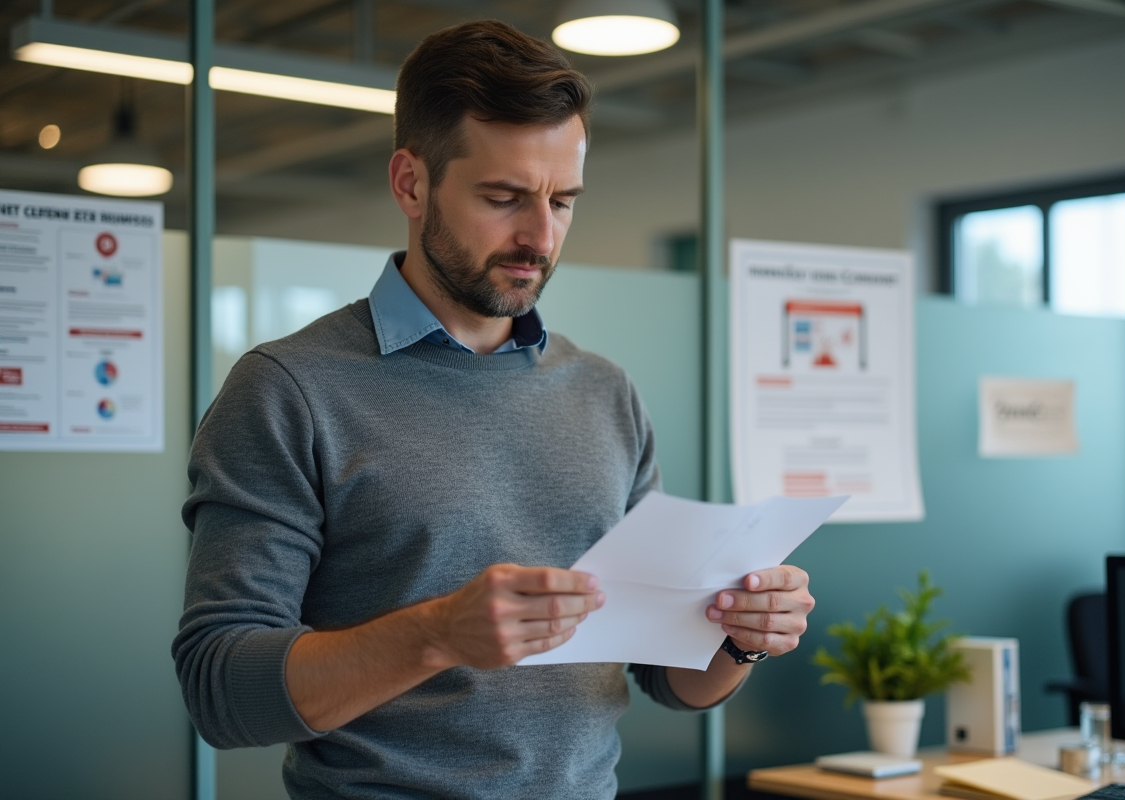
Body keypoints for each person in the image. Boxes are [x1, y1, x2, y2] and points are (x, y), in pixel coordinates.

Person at [172, 19, 815, 800]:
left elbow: (663, 674)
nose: (540, 237)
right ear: (411, 183)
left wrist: (738, 640)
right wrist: (437, 634)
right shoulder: (289, 389)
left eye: (563, 201)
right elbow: (220, 692)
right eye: (504, 198)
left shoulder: (604, 390)